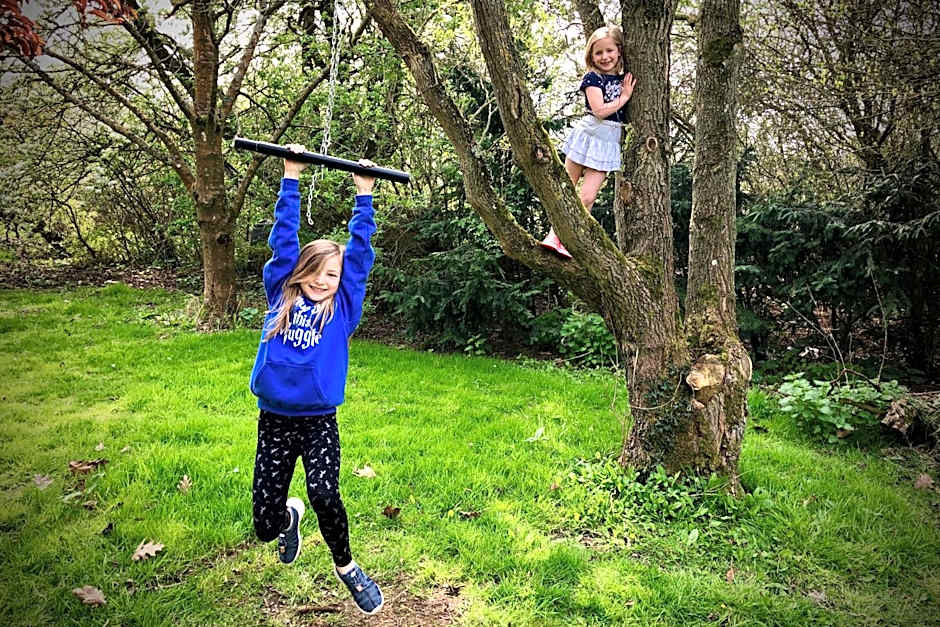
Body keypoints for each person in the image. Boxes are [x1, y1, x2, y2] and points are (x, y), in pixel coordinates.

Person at [248, 145, 383, 615]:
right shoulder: (280, 292)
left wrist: (364, 195)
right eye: (317, 272)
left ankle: (347, 568)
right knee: (263, 525)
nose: (324, 280)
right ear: (301, 272)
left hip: (319, 420)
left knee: (326, 492)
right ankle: (288, 518)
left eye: (332, 274)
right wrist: (291, 176)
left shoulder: (343, 309)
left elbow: (360, 257)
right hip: (275, 419)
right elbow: (283, 240)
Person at [542, 25, 636, 258]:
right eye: (598, 53)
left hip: (608, 141)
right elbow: (600, 110)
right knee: (565, 187)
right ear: (591, 56)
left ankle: (574, 240)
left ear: (619, 51)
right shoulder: (592, 78)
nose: (605, 57)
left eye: (609, 51)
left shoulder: (625, 78)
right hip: (588, 135)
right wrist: (624, 98)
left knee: (588, 196)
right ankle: (554, 235)